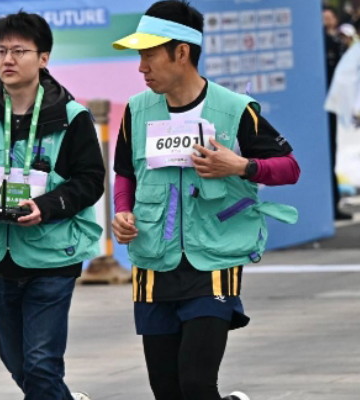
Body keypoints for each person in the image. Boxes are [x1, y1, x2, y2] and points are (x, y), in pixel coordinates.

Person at [110, 1, 300, 399]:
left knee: (196, 383)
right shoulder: (136, 110)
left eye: (149, 55)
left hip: (213, 259)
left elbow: (289, 168)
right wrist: (123, 212)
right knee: (166, 389)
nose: (141, 67)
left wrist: (242, 166)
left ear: (181, 52)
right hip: (153, 260)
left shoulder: (234, 109)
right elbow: (126, 172)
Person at [0, 11, 104, 400]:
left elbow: (89, 181)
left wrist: (46, 207)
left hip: (52, 255)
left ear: (43, 58)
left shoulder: (71, 117)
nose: (8, 60)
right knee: (16, 362)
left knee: (40, 364)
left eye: (19, 51)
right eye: (1, 51)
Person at [323, 6, 352, 220]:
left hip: (330, 106)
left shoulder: (336, 43)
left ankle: (332, 205)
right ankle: (328, 206)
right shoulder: (320, 43)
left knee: (330, 153)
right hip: (319, 107)